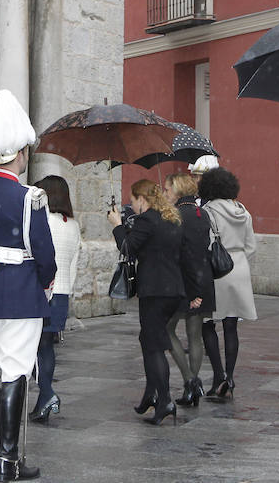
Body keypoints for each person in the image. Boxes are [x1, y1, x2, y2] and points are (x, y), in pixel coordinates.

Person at [0, 90, 56, 481]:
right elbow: (45, 253)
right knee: (15, 370)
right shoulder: (30, 198)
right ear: (19, 153)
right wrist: (47, 282)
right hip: (21, 289)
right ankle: (7, 459)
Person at [108, 179, 188, 426]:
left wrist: (117, 225)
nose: (132, 205)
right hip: (172, 289)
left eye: (133, 201)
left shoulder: (148, 220)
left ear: (142, 199)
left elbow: (128, 247)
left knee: (154, 346)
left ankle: (164, 400)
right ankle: (151, 394)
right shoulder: (171, 218)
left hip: (155, 291)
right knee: (149, 340)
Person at [199, 167, 257, 399]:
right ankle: (230, 377)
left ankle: (218, 376)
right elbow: (251, 247)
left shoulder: (207, 212)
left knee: (208, 323)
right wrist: (241, 263)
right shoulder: (243, 212)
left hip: (216, 270)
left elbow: (204, 244)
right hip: (239, 267)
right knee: (231, 326)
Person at [29, 175, 81, 423]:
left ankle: (48, 393)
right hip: (61, 293)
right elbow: (74, 263)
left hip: (41, 291)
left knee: (31, 347)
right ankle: (42, 402)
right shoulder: (72, 223)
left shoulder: (43, 221)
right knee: (46, 347)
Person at [163, 172, 214, 407]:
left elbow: (178, 252)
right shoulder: (201, 213)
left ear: (179, 190)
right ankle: (194, 384)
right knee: (195, 335)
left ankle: (189, 380)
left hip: (183, 281)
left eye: (168, 189)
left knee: (166, 329)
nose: (165, 193)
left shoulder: (176, 215)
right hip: (203, 280)